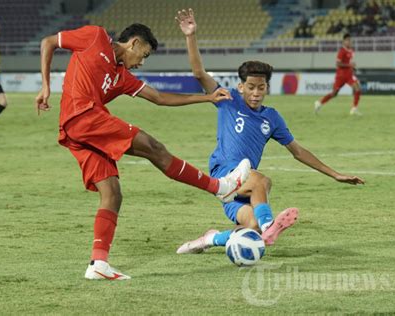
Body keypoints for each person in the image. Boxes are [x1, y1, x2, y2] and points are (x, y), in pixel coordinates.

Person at [36, 23, 251, 280]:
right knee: (153, 147)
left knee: (112, 194)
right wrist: (46, 86)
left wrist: (207, 98)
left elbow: (159, 98)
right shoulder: (94, 37)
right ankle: (219, 188)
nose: (141, 62)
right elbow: (48, 42)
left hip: (80, 132)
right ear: (134, 43)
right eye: (144, 55)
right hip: (82, 117)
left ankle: (98, 264)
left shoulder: (122, 76)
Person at [175, 9, 365, 255]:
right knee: (262, 181)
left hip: (245, 186)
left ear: (267, 87)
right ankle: (270, 225)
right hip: (224, 174)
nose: (256, 93)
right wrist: (191, 35)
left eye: (261, 87)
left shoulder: (271, 117)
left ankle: (209, 239)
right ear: (241, 86)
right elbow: (200, 73)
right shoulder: (227, 99)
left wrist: (334, 174)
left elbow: (297, 151)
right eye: (251, 87)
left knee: (250, 230)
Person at [314, 33, 362, 116]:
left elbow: (348, 62)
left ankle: (354, 108)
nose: (349, 42)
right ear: (344, 41)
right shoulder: (341, 51)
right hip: (341, 76)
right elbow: (338, 64)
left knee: (357, 88)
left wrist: (352, 67)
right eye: (347, 40)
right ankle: (319, 103)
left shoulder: (351, 51)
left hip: (349, 75)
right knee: (334, 93)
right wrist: (350, 65)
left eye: (350, 40)